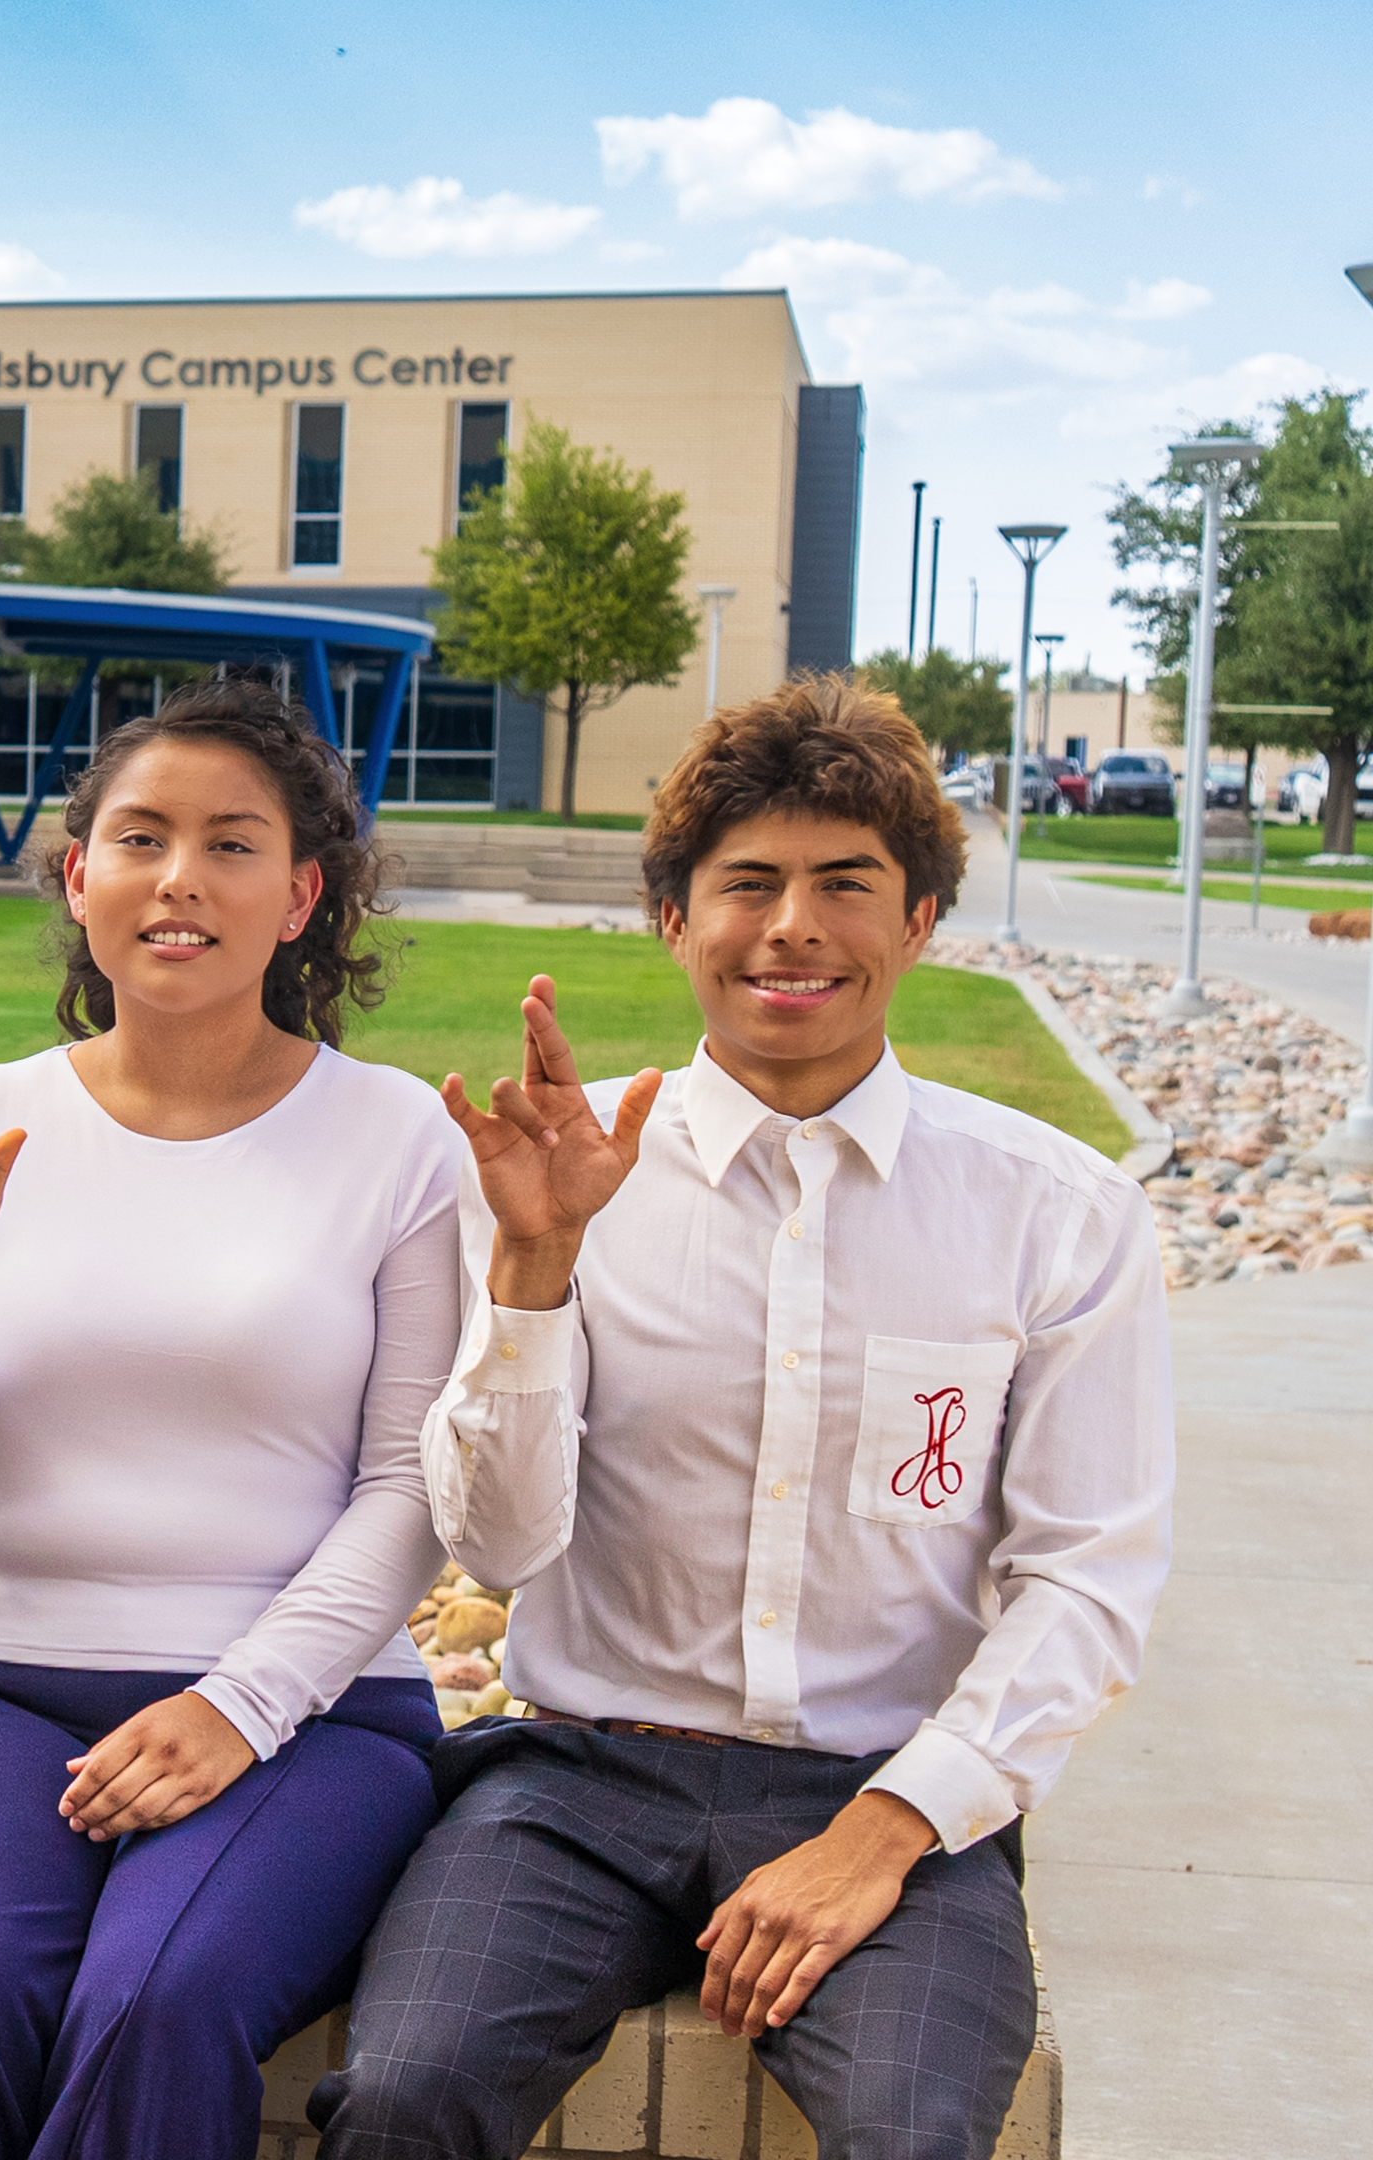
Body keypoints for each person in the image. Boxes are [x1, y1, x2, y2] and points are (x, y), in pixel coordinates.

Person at [314, 676, 1174, 2160]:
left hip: (887, 1793)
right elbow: (502, 1550)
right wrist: (535, 1272)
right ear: (675, 919)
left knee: (916, 2134)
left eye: (847, 885)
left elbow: (1087, 1580)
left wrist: (892, 1832)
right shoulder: (563, 1180)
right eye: (748, 884)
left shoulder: (1058, 1215)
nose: (793, 927)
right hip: (576, 1784)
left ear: (916, 923)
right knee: (399, 2099)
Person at [0, 676, 462, 2160]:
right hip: (2, 1684)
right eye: (142, 838)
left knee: (157, 2002)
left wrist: (238, 1707)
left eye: (234, 845)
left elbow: (413, 1487)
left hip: (317, 1712)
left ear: (303, 896)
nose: (181, 879)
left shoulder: (397, 1138)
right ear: (78, 877)